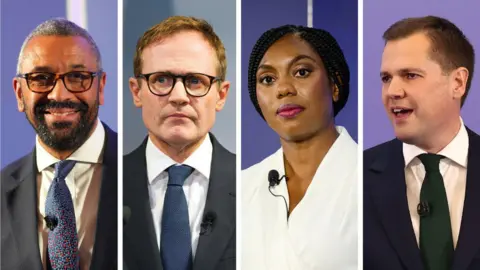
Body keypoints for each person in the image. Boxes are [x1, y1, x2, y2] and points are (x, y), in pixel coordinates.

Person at [364, 16, 480, 270]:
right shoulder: (355, 177)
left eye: (410, 75)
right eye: (386, 78)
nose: (393, 91)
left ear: (457, 82)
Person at [1, 18, 117, 270]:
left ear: (101, 87)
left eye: (77, 77)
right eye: (41, 78)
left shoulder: (142, 173)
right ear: (20, 94)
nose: (59, 94)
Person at [123, 16, 235, 270]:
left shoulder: (251, 185)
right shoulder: (105, 184)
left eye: (195, 81)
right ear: (136, 91)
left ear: (221, 95)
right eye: (161, 79)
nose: (178, 97)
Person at [242, 25, 357, 270]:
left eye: (302, 72)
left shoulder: (371, 180)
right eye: (268, 79)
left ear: (335, 84)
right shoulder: (240, 189)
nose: (283, 89)